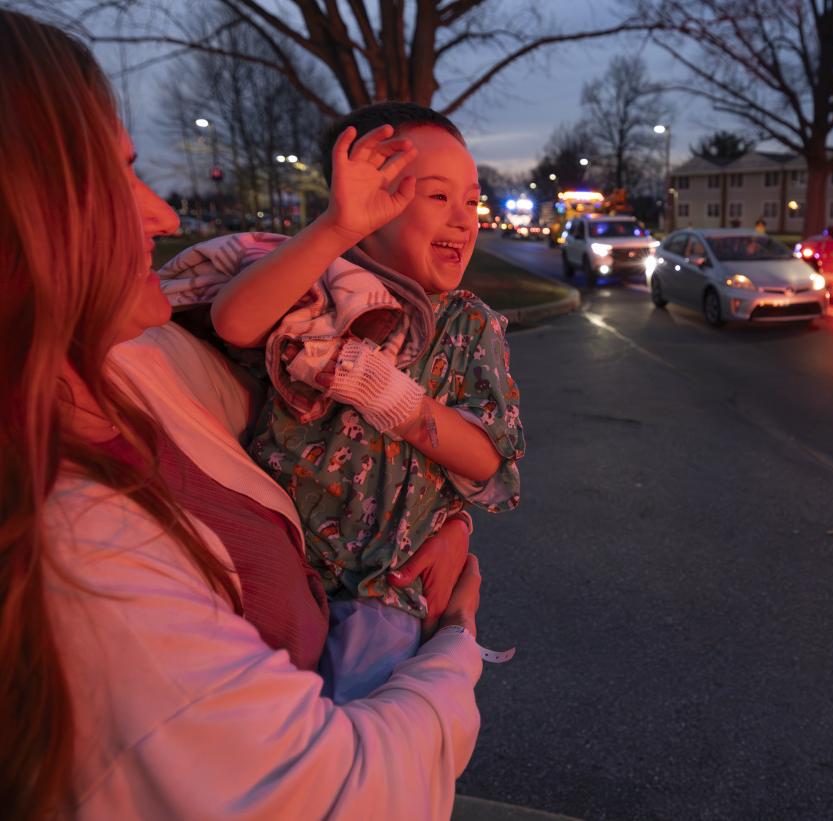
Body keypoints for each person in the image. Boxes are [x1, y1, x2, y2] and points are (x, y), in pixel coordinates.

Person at [0, 10, 482, 819]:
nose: (160, 214)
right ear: (28, 219)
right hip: (382, 677)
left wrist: (450, 515)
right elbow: (344, 794)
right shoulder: (73, 552)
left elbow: (482, 453)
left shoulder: (126, 366)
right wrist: (456, 636)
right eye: (116, 174)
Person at [166, 103, 524, 694]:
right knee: (259, 734)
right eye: (437, 197)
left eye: (472, 199)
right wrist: (337, 226)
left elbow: (491, 461)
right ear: (370, 204)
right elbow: (234, 321)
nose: (464, 219)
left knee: (355, 740)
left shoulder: (470, 326)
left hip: (385, 586)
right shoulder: (319, 284)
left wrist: (389, 396)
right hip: (273, 567)